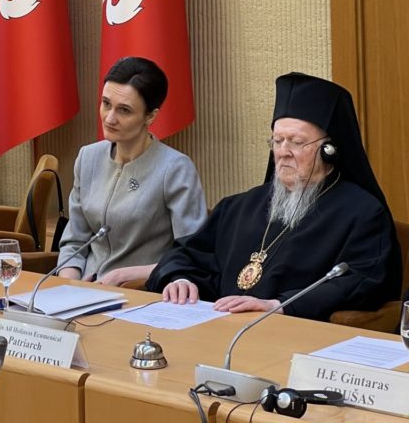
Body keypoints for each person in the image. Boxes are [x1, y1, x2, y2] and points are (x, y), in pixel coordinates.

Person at [147, 72, 402, 320]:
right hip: (220, 327)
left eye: (296, 142)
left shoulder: (362, 213)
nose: (283, 152)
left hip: (296, 334)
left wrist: (280, 305)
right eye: (278, 141)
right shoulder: (239, 206)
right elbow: (188, 253)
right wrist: (180, 278)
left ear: (329, 149)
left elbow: (361, 281)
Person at [56, 56, 207, 286]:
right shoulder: (88, 158)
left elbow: (190, 255)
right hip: (85, 289)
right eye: (106, 103)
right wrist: (70, 286)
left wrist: (124, 275)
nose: (110, 118)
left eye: (124, 110)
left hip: (140, 292)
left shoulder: (175, 168)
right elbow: (74, 242)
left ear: (150, 116)